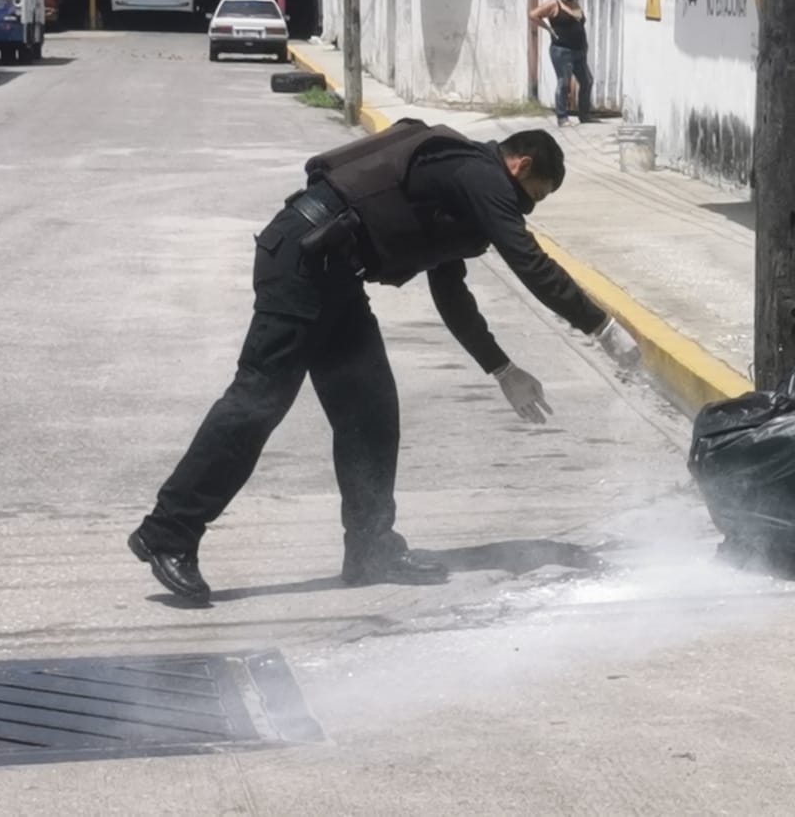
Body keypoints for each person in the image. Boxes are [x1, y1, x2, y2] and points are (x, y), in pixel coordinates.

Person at [127, 119, 642, 605]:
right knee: (257, 402)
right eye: (534, 198)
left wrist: (503, 370)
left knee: (370, 412)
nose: (525, 210)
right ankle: (168, 533)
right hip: (303, 263)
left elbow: (451, 291)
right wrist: (601, 327)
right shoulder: (480, 175)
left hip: (333, 274)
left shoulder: (460, 182)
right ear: (521, 166)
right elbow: (527, 259)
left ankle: (371, 547)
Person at [530, 0, 594, 127]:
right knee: (563, 83)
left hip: (579, 50)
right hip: (562, 51)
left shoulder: (575, 4)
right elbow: (533, 14)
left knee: (587, 81)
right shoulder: (554, 4)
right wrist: (548, 29)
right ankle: (562, 117)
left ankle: (584, 115)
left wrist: (584, 45)